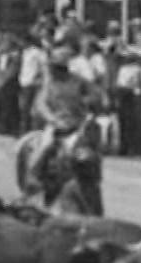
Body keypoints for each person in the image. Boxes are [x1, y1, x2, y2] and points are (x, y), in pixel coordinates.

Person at [27, 46, 100, 198]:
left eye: (54, 67)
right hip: (56, 125)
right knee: (46, 146)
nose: (52, 70)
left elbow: (96, 95)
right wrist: (52, 119)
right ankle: (33, 175)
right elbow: (41, 104)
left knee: (91, 152)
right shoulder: (49, 84)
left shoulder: (79, 81)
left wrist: (89, 101)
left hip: (77, 125)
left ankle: (95, 179)